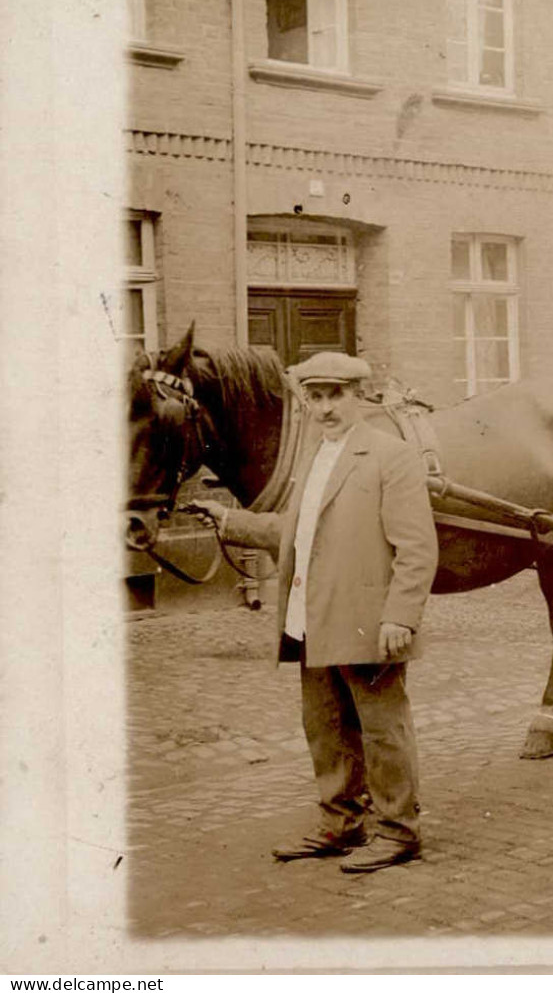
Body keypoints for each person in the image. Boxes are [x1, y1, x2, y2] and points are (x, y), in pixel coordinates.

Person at [195, 351, 438, 874]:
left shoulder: (389, 457)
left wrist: (400, 615)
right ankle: (340, 822)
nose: (326, 408)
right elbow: (296, 533)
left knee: (380, 728)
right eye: (316, 397)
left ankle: (399, 830)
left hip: (368, 617)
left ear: (360, 398)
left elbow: (417, 548)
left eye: (337, 396)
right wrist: (231, 520)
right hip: (311, 614)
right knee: (325, 725)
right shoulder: (315, 458)